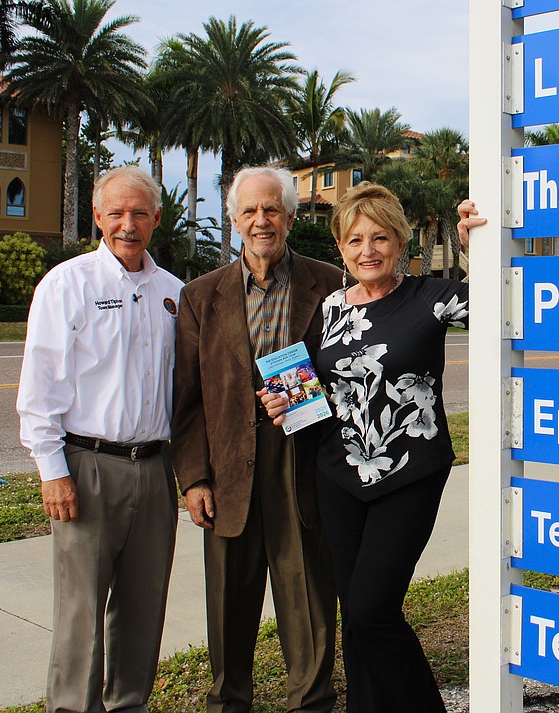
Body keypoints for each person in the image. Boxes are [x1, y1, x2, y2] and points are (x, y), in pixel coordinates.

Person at [261, 184, 485, 713]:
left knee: (371, 611)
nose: (368, 250)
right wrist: (282, 401)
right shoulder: (330, 308)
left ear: (401, 241)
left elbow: (498, 303)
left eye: (380, 237)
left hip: (409, 472)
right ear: (340, 247)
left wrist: (477, 246)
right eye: (355, 239)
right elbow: (313, 386)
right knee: (353, 613)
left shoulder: (431, 297)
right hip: (339, 476)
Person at [172, 166, 344, 713]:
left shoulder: (333, 285)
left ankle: (311, 702)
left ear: (290, 216)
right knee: (228, 604)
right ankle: (229, 702)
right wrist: (195, 477)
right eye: (249, 211)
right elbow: (188, 399)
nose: (261, 220)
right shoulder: (201, 296)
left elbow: (354, 374)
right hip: (227, 471)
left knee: (309, 602)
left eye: (272, 209)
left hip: (304, 462)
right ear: (234, 219)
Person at [16, 166, 183, 713]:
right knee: (81, 611)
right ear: (97, 216)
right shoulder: (67, 285)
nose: (128, 225)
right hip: (86, 466)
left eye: (139, 213)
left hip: (156, 470)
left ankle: (128, 704)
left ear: (157, 218)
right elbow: (40, 387)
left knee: (142, 608)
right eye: (116, 213)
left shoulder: (174, 294)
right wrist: (52, 470)